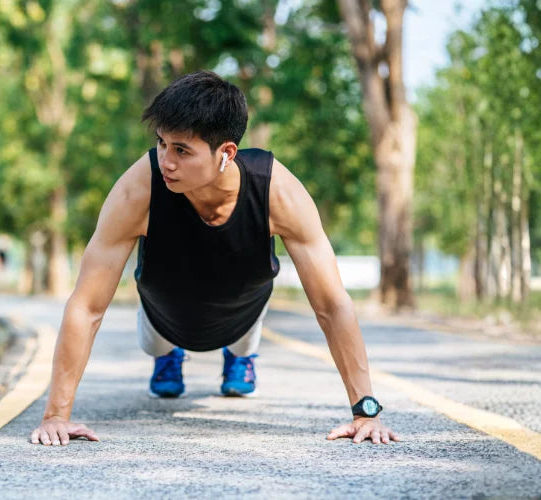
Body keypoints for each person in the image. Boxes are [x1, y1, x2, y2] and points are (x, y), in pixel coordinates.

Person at [29, 71, 399, 447]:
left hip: (243, 312)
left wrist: (366, 412)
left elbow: (332, 305)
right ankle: (168, 357)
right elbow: (87, 306)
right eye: (161, 143)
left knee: (244, 331)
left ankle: (240, 357)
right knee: (157, 343)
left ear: (226, 153)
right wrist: (56, 416)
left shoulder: (278, 192)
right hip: (163, 314)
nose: (165, 161)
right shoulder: (138, 189)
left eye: (182, 151)